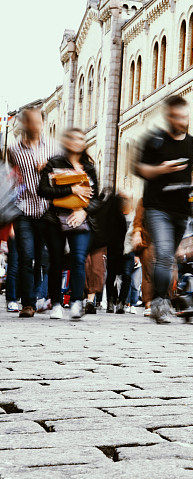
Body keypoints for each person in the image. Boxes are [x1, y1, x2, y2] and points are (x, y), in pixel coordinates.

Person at [135, 95, 193, 324]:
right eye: (175, 117)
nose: (180, 121)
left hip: (182, 210)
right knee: (163, 254)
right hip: (157, 207)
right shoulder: (155, 141)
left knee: (169, 257)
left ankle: (170, 298)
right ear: (168, 117)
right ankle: (160, 302)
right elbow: (140, 169)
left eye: (183, 117)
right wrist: (161, 169)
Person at [37, 128, 99, 320]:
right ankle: (56, 303)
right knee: (56, 261)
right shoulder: (54, 163)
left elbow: (97, 197)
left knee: (79, 259)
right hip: (55, 218)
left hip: (80, 219)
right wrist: (71, 189)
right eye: (72, 138)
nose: (77, 141)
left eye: (80, 138)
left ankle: (76, 302)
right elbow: (43, 190)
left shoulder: (88, 167)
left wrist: (84, 211)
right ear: (66, 141)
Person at [7, 107, 60, 318]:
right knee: (26, 256)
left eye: (37, 122)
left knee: (41, 258)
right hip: (23, 209)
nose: (34, 126)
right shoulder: (13, 150)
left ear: (42, 123)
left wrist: (49, 170)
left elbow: (64, 175)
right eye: (30, 122)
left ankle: (39, 296)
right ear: (24, 124)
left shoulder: (53, 148)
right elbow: (11, 176)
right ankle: (27, 303)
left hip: (47, 209)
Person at [104, 190, 136, 314]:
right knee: (111, 275)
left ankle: (122, 302)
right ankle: (110, 302)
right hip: (114, 249)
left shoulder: (134, 215)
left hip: (129, 250)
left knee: (127, 276)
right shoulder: (113, 215)